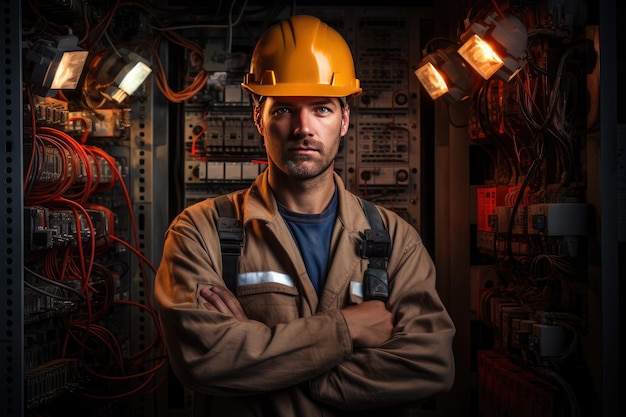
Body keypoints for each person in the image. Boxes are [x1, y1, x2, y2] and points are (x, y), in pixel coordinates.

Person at [154, 14, 455, 417]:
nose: (303, 128)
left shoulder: (395, 238)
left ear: (345, 119)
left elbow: (431, 366)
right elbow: (203, 361)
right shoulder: (199, 232)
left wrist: (269, 366)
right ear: (258, 117)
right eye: (283, 110)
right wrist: (348, 330)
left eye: (322, 109)